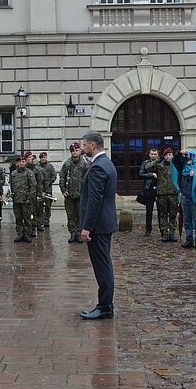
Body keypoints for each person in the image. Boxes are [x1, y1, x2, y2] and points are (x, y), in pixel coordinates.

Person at [78, 131, 117, 321]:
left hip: (98, 226)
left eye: (84, 145)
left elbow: (94, 200)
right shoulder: (106, 163)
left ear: (92, 145)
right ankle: (105, 305)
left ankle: (104, 307)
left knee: (102, 268)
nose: (82, 148)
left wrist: (87, 227)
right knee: (105, 265)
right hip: (105, 223)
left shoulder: (98, 168)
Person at [146, 147, 179, 242]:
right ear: (164, 156)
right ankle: (164, 233)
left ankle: (172, 233)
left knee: (173, 215)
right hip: (162, 194)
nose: (168, 157)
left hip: (173, 193)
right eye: (166, 155)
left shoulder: (176, 166)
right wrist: (158, 160)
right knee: (163, 215)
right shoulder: (159, 165)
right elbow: (148, 167)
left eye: (170, 155)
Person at [60, 142, 88, 243]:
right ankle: (73, 233)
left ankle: (80, 234)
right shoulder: (67, 163)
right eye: (72, 151)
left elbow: (89, 177)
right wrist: (63, 190)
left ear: (80, 151)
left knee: (80, 215)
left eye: (76, 151)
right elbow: (62, 177)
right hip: (70, 194)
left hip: (81, 194)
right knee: (71, 215)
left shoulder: (85, 163)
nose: (74, 153)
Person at [10, 155, 38, 242]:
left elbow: (33, 186)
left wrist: (30, 198)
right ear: (17, 163)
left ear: (25, 162)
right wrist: (12, 195)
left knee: (27, 218)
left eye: (23, 161)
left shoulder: (29, 173)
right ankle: (20, 234)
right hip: (17, 199)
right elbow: (12, 185)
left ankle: (27, 234)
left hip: (26, 200)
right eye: (19, 162)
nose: (21, 163)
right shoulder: (13, 173)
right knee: (18, 218)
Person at [138, 148, 159, 237]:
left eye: (155, 154)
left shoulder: (161, 162)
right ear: (149, 154)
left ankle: (163, 229)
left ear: (157, 155)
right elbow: (141, 174)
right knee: (149, 211)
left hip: (159, 188)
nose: (153, 155)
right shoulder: (145, 163)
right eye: (152, 154)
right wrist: (151, 175)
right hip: (149, 188)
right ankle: (148, 229)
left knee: (161, 211)